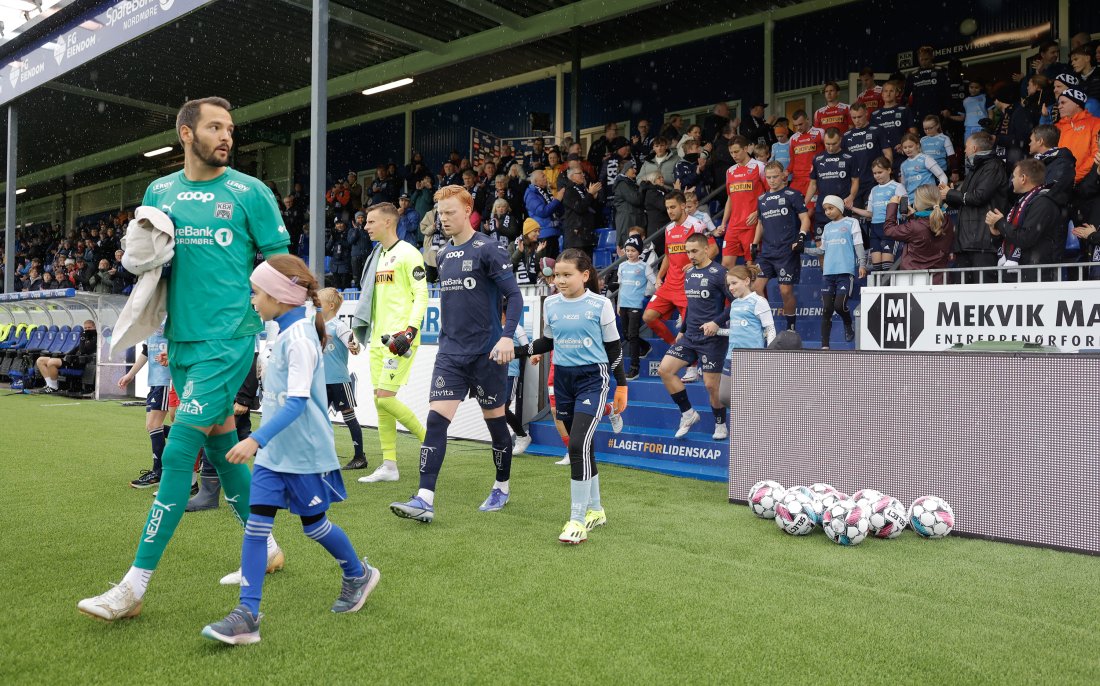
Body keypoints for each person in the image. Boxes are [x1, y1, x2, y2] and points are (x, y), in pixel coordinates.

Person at [78, 97, 289, 621]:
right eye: (215, 127)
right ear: (186, 134)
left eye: (231, 129)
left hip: (229, 339)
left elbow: (281, 260)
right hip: (182, 340)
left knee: (178, 455)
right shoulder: (160, 191)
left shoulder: (250, 192)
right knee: (221, 448)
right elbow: (150, 261)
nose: (227, 136)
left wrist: (297, 323)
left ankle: (133, 585)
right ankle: (266, 548)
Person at [200, 255, 378, 645]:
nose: (253, 300)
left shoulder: (300, 339)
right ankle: (247, 614)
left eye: (257, 293)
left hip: (302, 453)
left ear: (280, 296)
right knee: (256, 526)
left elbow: (297, 404)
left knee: (315, 526)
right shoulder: (281, 332)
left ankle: (358, 574)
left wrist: (254, 439)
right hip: (274, 454)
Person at [389, 185, 521, 523]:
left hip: (487, 354)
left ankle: (501, 486)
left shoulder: (489, 249)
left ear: (468, 210)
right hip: (450, 353)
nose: (443, 219)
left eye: (450, 212)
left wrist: (507, 338)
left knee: (495, 425)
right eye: (440, 213)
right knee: (435, 421)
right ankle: (424, 498)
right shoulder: (444, 255)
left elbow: (515, 297)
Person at [512, 249, 627, 544]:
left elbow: (614, 349)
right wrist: (514, 351)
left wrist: (622, 385)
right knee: (583, 446)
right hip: (563, 380)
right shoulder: (551, 304)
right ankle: (597, 509)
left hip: (593, 379)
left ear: (584, 275)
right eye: (557, 275)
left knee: (576, 444)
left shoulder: (600, 304)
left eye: (567, 274)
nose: (559, 280)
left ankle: (577, 520)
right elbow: (548, 341)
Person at [352, 203, 429, 484]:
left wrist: (409, 332)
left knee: (384, 398)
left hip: (400, 340)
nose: (366, 226)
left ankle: (430, 441)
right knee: (380, 402)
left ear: (387, 223)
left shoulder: (409, 253)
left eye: (371, 221)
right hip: (377, 339)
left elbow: (422, 295)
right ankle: (389, 465)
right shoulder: (378, 256)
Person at [656, 233, 730, 441]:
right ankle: (688, 414)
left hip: (712, 338)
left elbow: (736, 303)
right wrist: (682, 329)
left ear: (707, 249)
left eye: (694, 251)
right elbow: (690, 305)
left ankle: (720, 424)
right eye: (688, 251)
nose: (690, 256)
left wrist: (716, 322)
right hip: (690, 335)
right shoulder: (688, 273)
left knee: (710, 385)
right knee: (665, 370)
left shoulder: (719, 273)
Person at [642, 191, 713, 347]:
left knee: (691, 327)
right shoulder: (669, 229)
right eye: (667, 208)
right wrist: (659, 276)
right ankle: (675, 345)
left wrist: (696, 264)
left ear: (683, 206)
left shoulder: (697, 225)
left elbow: (713, 249)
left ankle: (692, 366)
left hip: (689, 285)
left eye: (673, 207)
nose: (670, 211)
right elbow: (668, 256)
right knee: (648, 316)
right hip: (669, 284)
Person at [942, 131, 1009, 281]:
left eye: (966, 147)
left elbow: (979, 197)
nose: (964, 151)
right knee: (963, 292)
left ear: (974, 148)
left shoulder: (993, 166)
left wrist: (952, 194)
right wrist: (947, 196)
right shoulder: (974, 168)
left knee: (984, 291)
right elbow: (966, 201)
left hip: (982, 241)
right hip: (965, 242)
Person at [752, 161, 811, 332]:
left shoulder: (793, 194)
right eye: (768, 177)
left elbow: (805, 218)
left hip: (787, 251)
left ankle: (791, 327)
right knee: (756, 288)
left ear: (783, 175)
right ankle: (767, 325)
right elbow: (760, 223)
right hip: (767, 252)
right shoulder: (761, 199)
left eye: (775, 176)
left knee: (785, 291)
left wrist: (801, 237)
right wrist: (755, 243)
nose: (772, 180)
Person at [313, 288, 368, 470]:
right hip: (321, 381)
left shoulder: (339, 326)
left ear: (330, 306)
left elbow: (354, 345)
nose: (316, 305)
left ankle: (360, 458)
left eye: (319, 302)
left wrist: (355, 347)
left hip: (339, 380)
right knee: (317, 418)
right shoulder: (317, 326)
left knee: (349, 417)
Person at [986, 159, 1063, 281]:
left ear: (1023, 178)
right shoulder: (1022, 202)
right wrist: (996, 233)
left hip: (1034, 275)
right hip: (1018, 274)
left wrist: (1001, 223)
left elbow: (1025, 238)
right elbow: (1012, 237)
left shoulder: (1043, 203)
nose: (1011, 180)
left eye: (1014, 176)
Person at [118, 325, 171, 489]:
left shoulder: (174, 313)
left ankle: (159, 472)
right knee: (152, 426)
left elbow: (183, 344)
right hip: (154, 381)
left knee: (153, 425)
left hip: (167, 379)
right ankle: (197, 440)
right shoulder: (152, 319)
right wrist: (130, 374)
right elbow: (147, 350)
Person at [818, 195, 868, 349]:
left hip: (845, 273)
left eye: (830, 208)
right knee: (827, 309)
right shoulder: (827, 227)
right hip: (828, 274)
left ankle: (848, 323)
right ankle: (825, 346)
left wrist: (862, 264)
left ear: (839, 207)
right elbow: (821, 250)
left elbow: (859, 244)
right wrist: (803, 249)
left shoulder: (852, 222)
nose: (827, 212)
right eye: (825, 209)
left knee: (839, 306)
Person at [884, 184, 955, 283]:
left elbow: (889, 230)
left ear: (919, 202)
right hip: (939, 280)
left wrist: (892, 205)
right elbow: (927, 226)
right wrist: (913, 216)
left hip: (914, 281)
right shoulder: (948, 222)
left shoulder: (914, 226)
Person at [720, 136, 767, 269]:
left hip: (752, 224)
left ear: (746, 149)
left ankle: (754, 290)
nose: (733, 155)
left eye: (736, 151)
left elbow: (770, 195)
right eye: (731, 152)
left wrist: (758, 212)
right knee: (726, 265)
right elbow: (730, 198)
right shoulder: (730, 171)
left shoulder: (760, 167)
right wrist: (724, 222)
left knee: (751, 266)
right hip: (733, 226)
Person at [852, 157, 906, 272]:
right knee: (876, 267)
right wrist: (851, 208)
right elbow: (869, 213)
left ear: (889, 170)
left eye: (880, 172)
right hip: (875, 228)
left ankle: (890, 290)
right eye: (875, 173)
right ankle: (878, 290)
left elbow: (905, 209)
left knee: (887, 266)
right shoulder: (874, 190)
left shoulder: (898, 187)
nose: (877, 175)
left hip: (890, 227)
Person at [805, 128, 858, 236]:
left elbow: (855, 181)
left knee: (841, 238)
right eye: (827, 144)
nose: (830, 147)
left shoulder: (850, 157)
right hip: (822, 206)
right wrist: (804, 203)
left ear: (840, 140)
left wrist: (851, 196)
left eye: (833, 143)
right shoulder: (818, 159)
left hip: (842, 205)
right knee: (820, 242)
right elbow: (813, 184)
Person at [617, 234, 656, 380]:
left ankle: (635, 368)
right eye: (627, 250)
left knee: (632, 336)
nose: (630, 253)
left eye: (633, 250)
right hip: (624, 304)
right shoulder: (622, 266)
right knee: (627, 335)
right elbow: (621, 287)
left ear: (639, 251)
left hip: (636, 305)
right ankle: (645, 346)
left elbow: (654, 282)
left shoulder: (644, 266)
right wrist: (619, 304)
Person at [842, 102, 890, 210]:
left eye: (860, 116)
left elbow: (888, 153)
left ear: (866, 113)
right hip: (854, 184)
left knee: (873, 212)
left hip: (874, 180)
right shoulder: (846, 136)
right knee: (856, 216)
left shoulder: (877, 130)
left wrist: (886, 175)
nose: (857, 120)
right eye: (854, 117)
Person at [871, 80, 916, 174]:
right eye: (885, 91)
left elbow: (913, 131)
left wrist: (905, 144)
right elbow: (872, 137)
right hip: (883, 157)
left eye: (891, 91)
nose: (888, 94)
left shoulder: (904, 110)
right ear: (882, 94)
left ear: (897, 93)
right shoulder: (875, 115)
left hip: (902, 154)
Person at [899, 133, 948, 205]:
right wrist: (906, 206)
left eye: (910, 146)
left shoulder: (926, 159)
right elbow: (903, 187)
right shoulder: (903, 165)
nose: (907, 150)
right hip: (913, 202)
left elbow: (942, 176)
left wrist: (939, 194)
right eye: (905, 147)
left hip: (928, 200)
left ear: (917, 145)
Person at [787, 111, 825, 202]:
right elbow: (792, 161)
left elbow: (828, 153)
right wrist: (786, 172)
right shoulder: (792, 139)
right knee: (793, 208)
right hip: (797, 180)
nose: (798, 128)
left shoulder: (820, 132)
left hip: (814, 179)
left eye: (801, 124)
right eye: (796, 125)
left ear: (807, 119)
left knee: (811, 210)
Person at [920, 115, 957, 181]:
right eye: (925, 129)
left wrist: (955, 172)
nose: (927, 131)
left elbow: (952, 157)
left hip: (941, 172)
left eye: (930, 128)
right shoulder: (922, 140)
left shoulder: (944, 138)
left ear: (937, 126)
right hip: (926, 173)